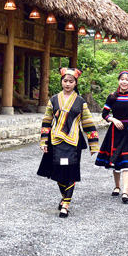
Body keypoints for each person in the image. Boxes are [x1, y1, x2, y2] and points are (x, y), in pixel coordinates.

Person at [37, 68, 99, 218]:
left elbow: (87, 122)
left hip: (73, 142)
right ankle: (65, 197)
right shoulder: (53, 100)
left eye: (71, 81)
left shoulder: (80, 102)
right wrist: (44, 140)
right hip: (56, 141)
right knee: (58, 172)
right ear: (61, 82)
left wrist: (93, 143)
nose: (68, 84)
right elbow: (46, 120)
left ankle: (66, 204)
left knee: (70, 172)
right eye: (65, 81)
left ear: (75, 83)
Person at [95, 71, 128, 203]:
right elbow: (104, 114)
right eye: (122, 79)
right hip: (115, 131)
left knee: (127, 160)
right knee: (116, 159)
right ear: (118, 81)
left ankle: (125, 192)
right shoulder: (111, 97)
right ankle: (117, 186)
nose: (124, 82)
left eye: (127, 79)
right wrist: (113, 120)